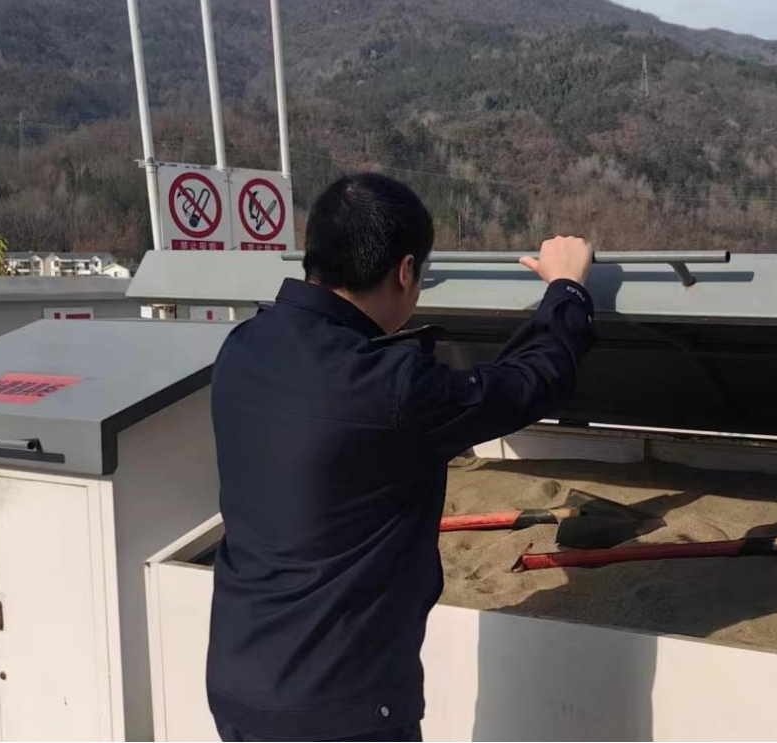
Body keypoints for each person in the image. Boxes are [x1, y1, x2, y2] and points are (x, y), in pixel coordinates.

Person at [206, 172, 595, 742]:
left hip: (239, 687)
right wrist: (567, 290)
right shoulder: (388, 388)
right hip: (339, 711)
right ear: (406, 271)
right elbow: (531, 384)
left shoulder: (243, 348)